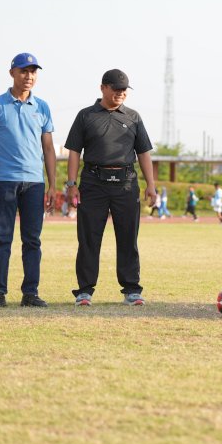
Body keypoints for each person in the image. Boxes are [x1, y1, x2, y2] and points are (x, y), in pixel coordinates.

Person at [64, 69, 157, 306]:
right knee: (88, 238)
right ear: (103, 88)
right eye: (115, 89)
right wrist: (72, 183)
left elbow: (144, 152)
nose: (120, 93)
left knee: (128, 237)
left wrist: (151, 185)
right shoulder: (86, 116)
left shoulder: (133, 117)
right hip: (93, 183)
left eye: (124, 90)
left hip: (126, 183)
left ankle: (131, 289)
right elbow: (74, 151)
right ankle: (84, 291)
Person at [0, 53, 56, 308]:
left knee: (32, 240)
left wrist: (53, 185)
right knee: (2, 239)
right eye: (24, 71)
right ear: (12, 73)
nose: (29, 76)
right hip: (4, 182)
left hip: (35, 183)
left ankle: (30, 293)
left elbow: (48, 149)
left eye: (33, 71)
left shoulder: (42, 107)